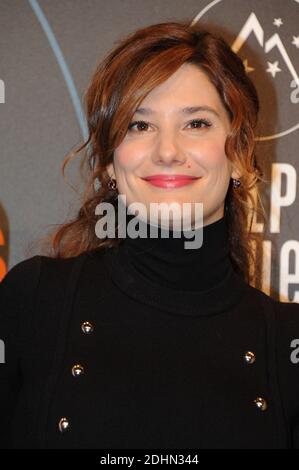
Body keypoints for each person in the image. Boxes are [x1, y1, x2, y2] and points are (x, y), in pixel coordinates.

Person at [1, 20, 299, 450]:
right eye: (139, 126)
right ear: (108, 162)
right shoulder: (33, 300)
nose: (167, 150)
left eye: (196, 123)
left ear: (239, 155)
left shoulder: (287, 343)